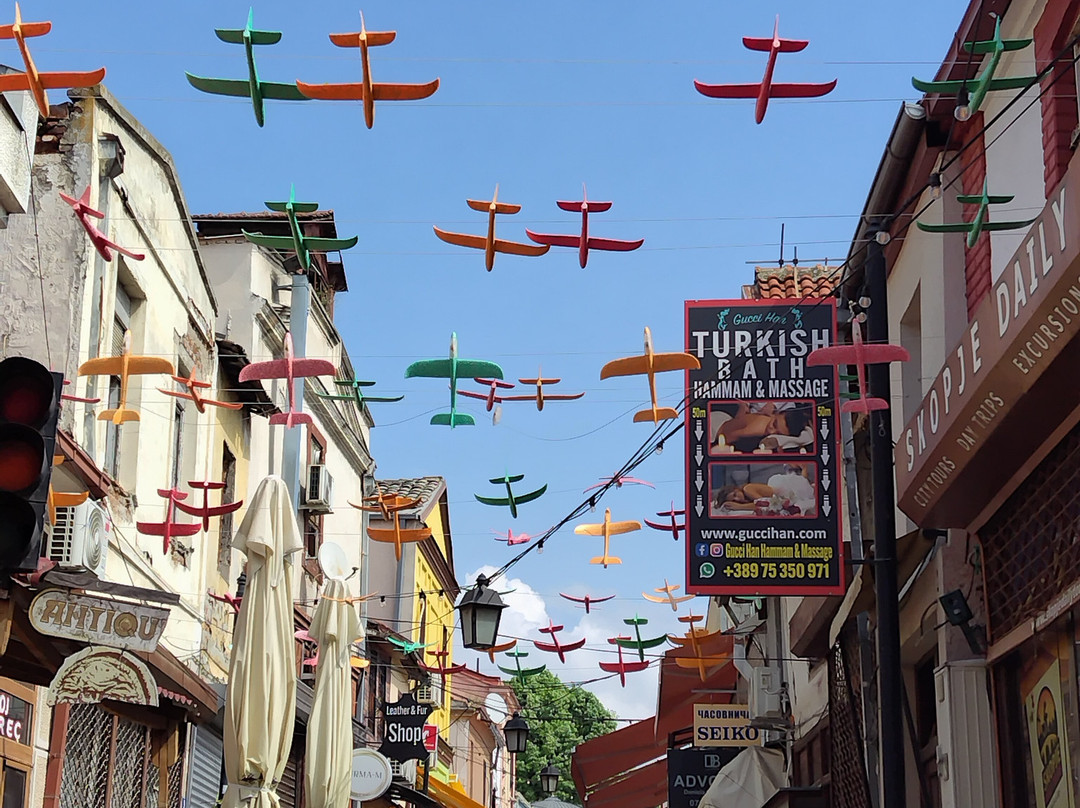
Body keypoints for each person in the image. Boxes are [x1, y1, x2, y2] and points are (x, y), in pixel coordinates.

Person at [710, 401, 813, 453]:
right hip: (715, 425)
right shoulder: (762, 423)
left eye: (778, 434)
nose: (771, 431)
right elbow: (725, 435)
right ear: (775, 414)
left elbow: (808, 437)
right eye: (774, 424)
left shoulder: (769, 432)